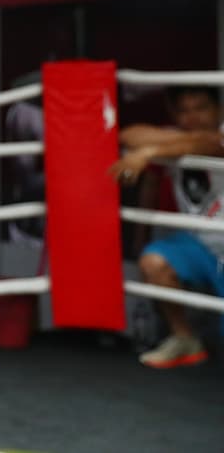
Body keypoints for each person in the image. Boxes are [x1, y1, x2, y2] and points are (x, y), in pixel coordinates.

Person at [109, 85, 224, 369]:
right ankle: (184, 338)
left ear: (219, 110)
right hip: (202, 246)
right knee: (154, 262)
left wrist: (149, 153)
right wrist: (160, 147)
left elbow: (213, 145)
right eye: (184, 110)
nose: (192, 117)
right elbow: (128, 135)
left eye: (201, 108)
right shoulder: (176, 139)